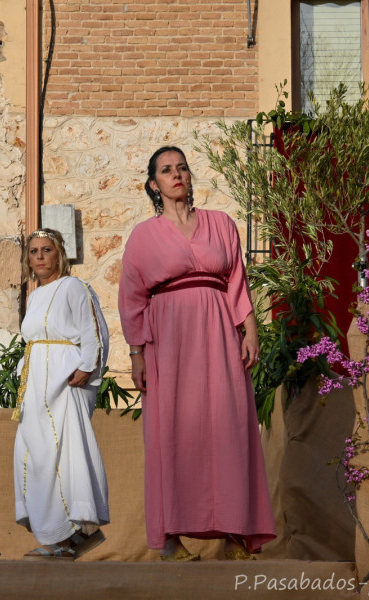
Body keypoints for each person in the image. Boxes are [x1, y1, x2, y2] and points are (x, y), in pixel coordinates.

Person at [118, 146, 276, 561]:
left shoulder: (221, 224)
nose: (177, 175)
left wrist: (251, 329)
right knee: (173, 430)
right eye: (166, 170)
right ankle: (170, 538)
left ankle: (237, 532)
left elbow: (237, 281)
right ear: (154, 184)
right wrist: (137, 354)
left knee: (228, 423)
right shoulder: (143, 237)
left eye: (182, 167)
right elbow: (132, 297)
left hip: (220, 332)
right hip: (167, 339)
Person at [13, 228, 110, 561]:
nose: (39, 257)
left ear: (60, 254)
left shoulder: (74, 287)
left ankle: (72, 534)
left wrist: (88, 367)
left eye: (47, 250)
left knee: (63, 455)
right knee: (34, 454)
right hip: (36, 385)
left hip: (66, 383)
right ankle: (56, 534)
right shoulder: (34, 295)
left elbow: (93, 330)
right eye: (34, 251)